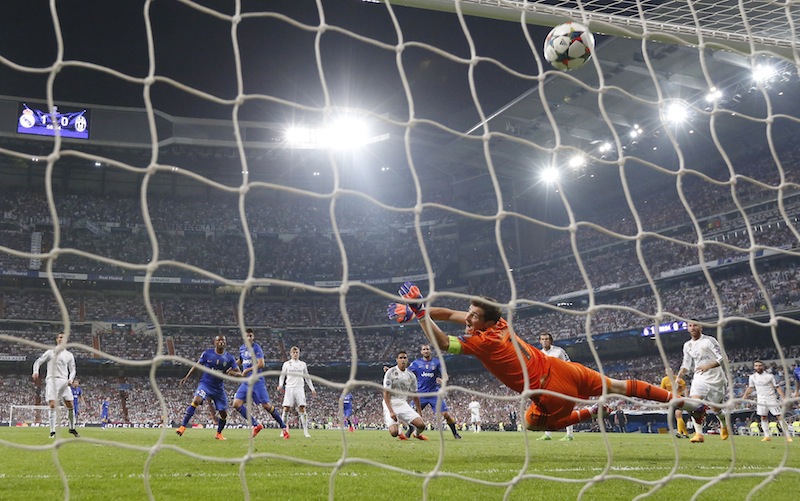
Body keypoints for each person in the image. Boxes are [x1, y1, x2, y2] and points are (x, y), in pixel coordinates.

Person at [387, 282, 706, 433]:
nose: (467, 319)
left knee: (533, 425)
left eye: (473, 317)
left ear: (484, 321)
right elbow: (452, 313)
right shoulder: (497, 322)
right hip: (565, 369)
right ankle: (692, 405)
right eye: (469, 315)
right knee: (620, 385)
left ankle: (589, 415)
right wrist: (424, 308)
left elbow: (442, 342)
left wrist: (419, 316)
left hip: (551, 391)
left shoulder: (485, 343)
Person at [176, 335, 241, 440]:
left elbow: (239, 373)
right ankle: (182, 426)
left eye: (223, 340)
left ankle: (218, 434)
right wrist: (186, 377)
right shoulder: (207, 354)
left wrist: (233, 373)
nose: (221, 342)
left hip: (219, 388)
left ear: (225, 343)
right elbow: (196, 365)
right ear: (214, 342)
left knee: (223, 414)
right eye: (218, 340)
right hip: (205, 385)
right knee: (196, 400)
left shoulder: (229, 358)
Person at [676, 319, 729, 443]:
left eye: (695, 325)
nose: (692, 328)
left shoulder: (709, 341)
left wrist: (708, 366)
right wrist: (679, 376)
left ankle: (724, 424)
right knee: (694, 404)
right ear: (687, 329)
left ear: (701, 327)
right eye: (690, 325)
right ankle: (699, 434)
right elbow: (686, 364)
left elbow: (723, 358)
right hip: (700, 378)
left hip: (716, 379)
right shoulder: (687, 345)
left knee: (716, 410)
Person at [232, 328, 290, 439]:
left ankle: (283, 427)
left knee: (266, 406)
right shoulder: (242, 349)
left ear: (253, 337)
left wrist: (247, 370)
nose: (249, 338)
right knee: (236, 404)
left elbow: (261, 364)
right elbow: (240, 360)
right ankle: (256, 425)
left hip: (257, 380)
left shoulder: (256, 348)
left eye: (250, 336)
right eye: (247, 336)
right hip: (246, 382)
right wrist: (231, 367)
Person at [408, 344, 462, 439]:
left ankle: (455, 433)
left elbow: (445, 375)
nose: (425, 351)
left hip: (434, 394)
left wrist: (443, 381)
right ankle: (410, 431)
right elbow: (405, 372)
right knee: (411, 414)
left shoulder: (437, 362)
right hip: (421, 394)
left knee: (446, 414)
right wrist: (392, 370)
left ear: (430, 351)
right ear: (421, 352)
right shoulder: (416, 363)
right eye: (424, 349)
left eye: (427, 349)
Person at [32, 332, 80, 438]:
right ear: (57, 339)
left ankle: (72, 428)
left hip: (64, 382)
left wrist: (71, 379)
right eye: (60, 337)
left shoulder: (69, 355)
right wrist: (35, 371)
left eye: (63, 338)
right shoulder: (50, 352)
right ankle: (52, 431)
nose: (61, 339)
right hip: (52, 380)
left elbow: (73, 370)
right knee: (53, 405)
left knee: (70, 405)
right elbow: (38, 362)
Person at [741, 360, 792, 443]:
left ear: (763, 366)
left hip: (771, 399)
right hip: (761, 400)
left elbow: (777, 387)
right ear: (754, 367)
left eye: (760, 365)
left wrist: (783, 397)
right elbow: (750, 387)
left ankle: (787, 436)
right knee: (763, 417)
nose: (758, 367)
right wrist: (744, 396)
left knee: (779, 416)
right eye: (756, 366)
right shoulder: (752, 377)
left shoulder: (770, 376)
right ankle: (767, 436)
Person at [383, 350, 428, 441]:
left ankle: (416, 434)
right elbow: (386, 393)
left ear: (407, 360)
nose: (403, 360)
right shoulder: (390, 372)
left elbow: (415, 395)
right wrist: (391, 411)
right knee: (394, 433)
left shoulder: (411, 376)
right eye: (401, 358)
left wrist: (419, 412)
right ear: (397, 360)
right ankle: (398, 430)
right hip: (391, 404)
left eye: (405, 358)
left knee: (421, 425)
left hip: (403, 404)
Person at [537, 332, 575, 441]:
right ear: (540, 341)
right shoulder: (539, 354)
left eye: (547, 339)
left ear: (551, 340)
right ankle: (547, 434)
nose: (544, 341)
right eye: (542, 339)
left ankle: (570, 434)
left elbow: (569, 364)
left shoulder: (559, 351)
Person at [277, 346, 317, 438]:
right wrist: (280, 384)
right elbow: (282, 376)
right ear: (290, 354)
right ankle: (283, 430)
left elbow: (307, 377)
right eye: (294, 352)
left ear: (299, 353)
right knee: (286, 408)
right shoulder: (286, 364)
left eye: (297, 352)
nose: (295, 354)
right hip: (289, 388)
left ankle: (306, 431)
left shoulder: (302, 364)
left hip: (299, 388)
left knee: (302, 408)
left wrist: (312, 388)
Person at [660, 368, 690, 438]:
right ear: (666, 372)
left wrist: (686, 398)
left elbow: (685, 389)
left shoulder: (678, 379)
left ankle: (679, 432)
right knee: (676, 417)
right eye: (667, 371)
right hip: (671, 399)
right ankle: (685, 433)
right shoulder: (664, 380)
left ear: (673, 371)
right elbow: (662, 390)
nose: (669, 372)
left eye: (670, 371)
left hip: (679, 398)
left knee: (678, 414)